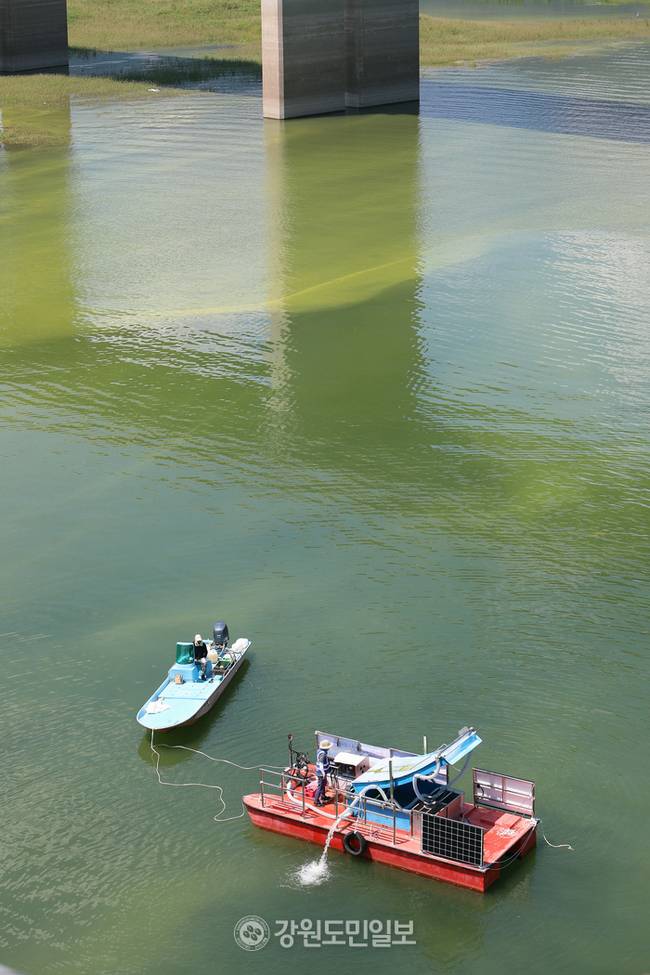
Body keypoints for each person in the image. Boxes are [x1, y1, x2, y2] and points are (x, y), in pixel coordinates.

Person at [314, 739, 333, 806]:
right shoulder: (323, 754)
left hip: (322, 772)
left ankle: (323, 796)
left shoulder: (319, 751)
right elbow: (321, 765)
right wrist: (323, 774)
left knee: (323, 784)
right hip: (321, 773)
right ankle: (316, 801)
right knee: (320, 786)